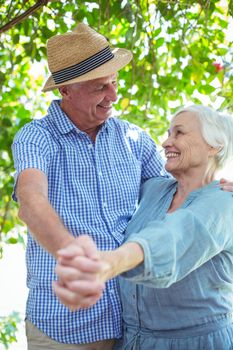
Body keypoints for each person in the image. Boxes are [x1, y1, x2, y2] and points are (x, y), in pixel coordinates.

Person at [11, 23, 170, 350]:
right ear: (65, 90)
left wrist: (213, 189)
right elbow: (31, 199)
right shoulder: (37, 137)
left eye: (114, 82)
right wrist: (75, 258)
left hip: (131, 325)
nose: (113, 95)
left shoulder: (134, 138)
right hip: (62, 328)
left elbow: (172, 195)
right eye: (100, 87)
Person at [54, 105, 233, 350]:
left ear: (214, 146)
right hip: (132, 341)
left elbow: (173, 238)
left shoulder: (223, 202)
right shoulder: (155, 189)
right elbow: (104, 181)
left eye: (179, 133)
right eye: (169, 133)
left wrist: (110, 262)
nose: (166, 142)